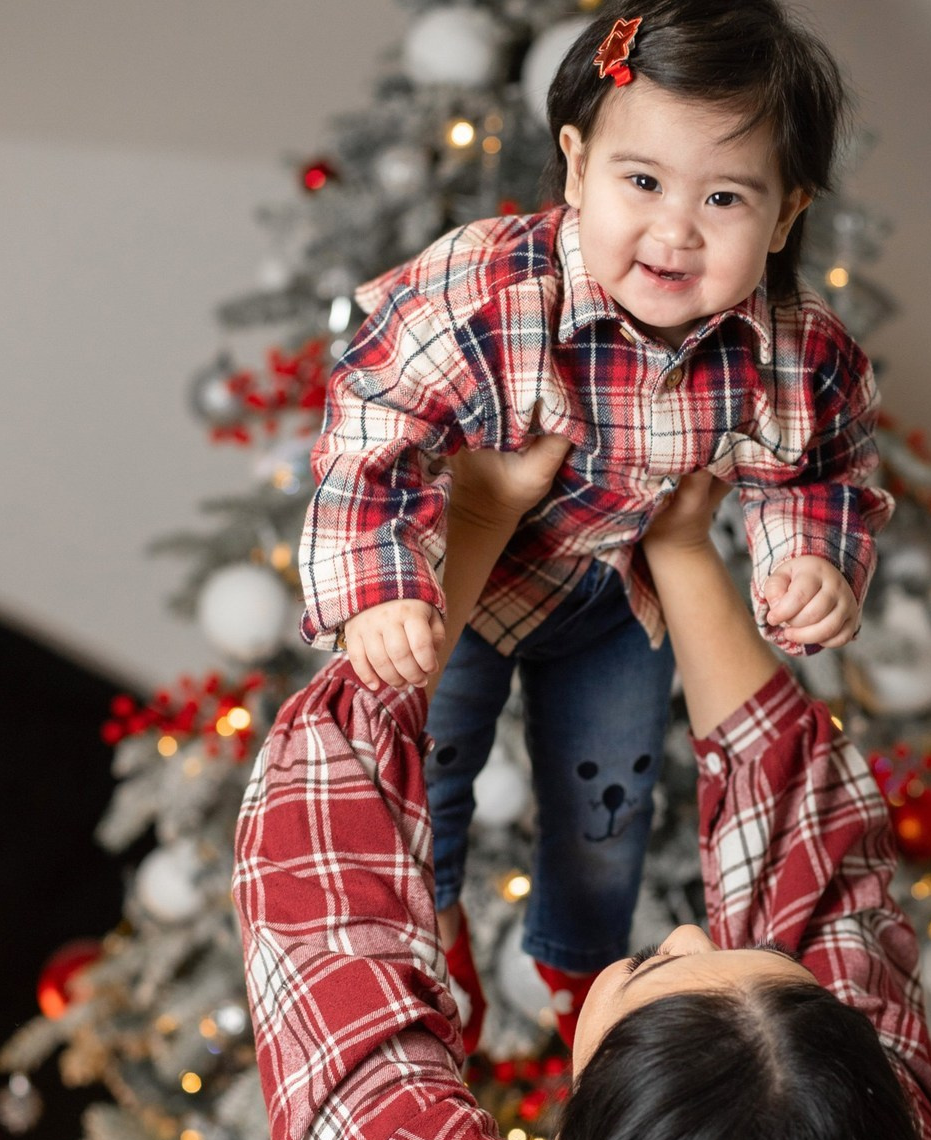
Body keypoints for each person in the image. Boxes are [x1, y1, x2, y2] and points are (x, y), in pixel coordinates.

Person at [296, 0, 894, 1048]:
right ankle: (429, 924)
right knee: (425, 760)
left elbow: (820, 468)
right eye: (641, 182)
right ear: (574, 165)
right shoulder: (489, 287)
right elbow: (372, 417)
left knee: (608, 799)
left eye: (723, 198)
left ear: (787, 213)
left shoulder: (790, 352)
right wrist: (380, 584)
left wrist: (808, 559)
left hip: (617, 597)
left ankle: (585, 978)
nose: (674, 231)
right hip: (465, 581)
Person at [234, 442, 931, 1140]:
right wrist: (680, 546)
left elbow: (319, 855)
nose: (688, 931)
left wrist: (472, 520)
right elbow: (823, 872)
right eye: (766, 961)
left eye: (653, 966)